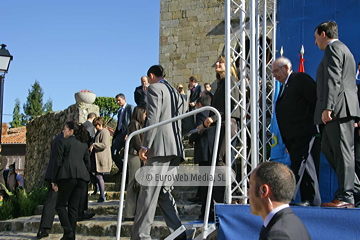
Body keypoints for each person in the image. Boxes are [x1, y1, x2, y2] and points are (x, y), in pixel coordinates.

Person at [131, 65, 186, 240]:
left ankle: (141, 236)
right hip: (176, 148)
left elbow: (153, 118)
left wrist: (145, 145)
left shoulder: (155, 88)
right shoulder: (178, 93)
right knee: (163, 192)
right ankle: (179, 234)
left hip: (160, 147)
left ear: (152, 76)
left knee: (147, 192)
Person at [314, 21, 360, 208]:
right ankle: (355, 187)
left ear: (324, 34)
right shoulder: (344, 49)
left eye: (316, 38)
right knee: (328, 148)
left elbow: (334, 79)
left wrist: (328, 107)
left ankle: (346, 196)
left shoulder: (333, 49)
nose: (315, 42)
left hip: (339, 109)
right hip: (341, 108)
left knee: (343, 152)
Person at [196, 55, 240, 220]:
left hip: (228, 124)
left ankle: (234, 194)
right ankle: (218, 204)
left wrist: (213, 118)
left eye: (222, 61)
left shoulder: (230, 81)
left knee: (221, 162)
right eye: (217, 62)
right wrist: (206, 124)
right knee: (217, 164)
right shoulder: (221, 84)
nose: (218, 64)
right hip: (220, 125)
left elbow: (233, 106)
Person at [272, 57, 321, 206]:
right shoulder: (285, 87)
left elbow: (315, 100)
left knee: (297, 166)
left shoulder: (300, 79)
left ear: (286, 68)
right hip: (293, 136)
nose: (274, 75)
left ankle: (286, 198)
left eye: (276, 71)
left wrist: (311, 123)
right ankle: (312, 199)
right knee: (307, 167)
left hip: (303, 131)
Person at [249, 161, 311, 240]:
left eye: (250, 186)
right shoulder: (294, 223)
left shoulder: (277, 234)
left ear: (264, 190)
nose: (248, 193)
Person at [52, 121, 90, 240]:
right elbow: (87, 163)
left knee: (60, 205)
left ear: (71, 131)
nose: (63, 131)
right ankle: (71, 235)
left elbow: (57, 162)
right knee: (73, 207)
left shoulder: (63, 142)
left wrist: (54, 180)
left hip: (67, 175)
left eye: (65, 129)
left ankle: (68, 230)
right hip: (82, 178)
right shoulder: (83, 144)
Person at [188, 95, 212, 215]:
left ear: (199, 105)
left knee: (204, 182)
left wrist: (191, 138)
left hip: (204, 150)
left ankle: (204, 212)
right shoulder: (212, 112)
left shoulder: (201, 113)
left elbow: (199, 130)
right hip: (211, 150)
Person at [37, 132, 63, 239]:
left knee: (51, 201)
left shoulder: (57, 138)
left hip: (53, 173)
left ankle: (43, 228)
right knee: (53, 200)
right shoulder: (63, 140)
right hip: (58, 175)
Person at [123, 106, 146, 221]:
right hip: (134, 155)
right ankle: (129, 213)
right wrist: (143, 151)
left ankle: (133, 211)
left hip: (137, 154)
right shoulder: (134, 123)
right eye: (144, 113)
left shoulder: (137, 124)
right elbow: (136, 140)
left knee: (136, 182)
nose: (145, 115)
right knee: (132, 182)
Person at [89, 117, 112, 203]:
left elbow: (104, 144)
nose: (95, 127)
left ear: (100, 124)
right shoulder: (98, 132)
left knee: (99, 176)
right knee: (95, 175)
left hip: (102, 158)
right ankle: (98, 191)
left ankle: (102, 195)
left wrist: (94, 145)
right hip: (96, 158)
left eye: (96, 125)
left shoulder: (104, 132)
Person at [111, 93, 134, 173]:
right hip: (120, 134)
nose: (118, 102)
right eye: (117, 101)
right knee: (114, 151)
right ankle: (122, 168)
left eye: (119, 100)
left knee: (126, 152)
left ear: (124, 99)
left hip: (126, 133)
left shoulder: (130, 108)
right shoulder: (120, 111)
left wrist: (129, 133)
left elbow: (132, 122)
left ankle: (127, 170)